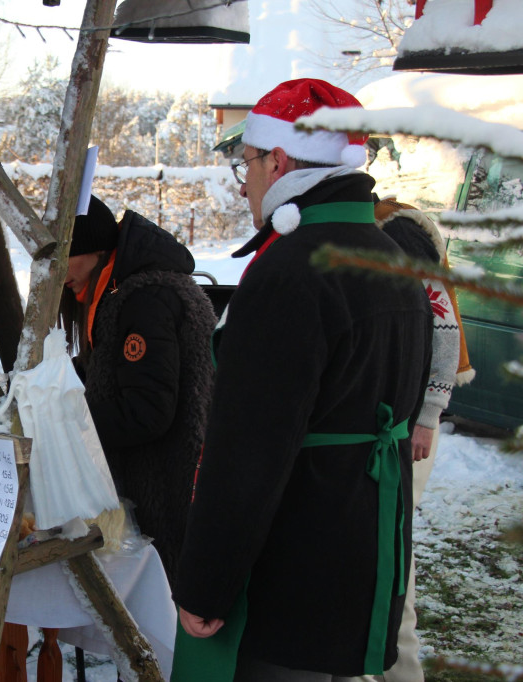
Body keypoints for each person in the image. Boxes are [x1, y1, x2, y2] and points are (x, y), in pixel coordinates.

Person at [174, 79, 433, 682]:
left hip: (290, 568)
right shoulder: (395, 258)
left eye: (247, 166)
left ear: (278, 160)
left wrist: (206, 585)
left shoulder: (291, 273)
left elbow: (248, 450)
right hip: (364, 550)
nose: (244, 185)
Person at [60, 195, 216, 604]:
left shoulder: (144, 298)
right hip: (161, 479)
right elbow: (113, 369)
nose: (61, 275)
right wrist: (55, 380)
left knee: (165, 614)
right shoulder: (121, 289)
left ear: (95, 249)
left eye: (67, 257)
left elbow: (147, 412)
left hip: (169, 484)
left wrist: (66, 418)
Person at [355, 196, 474, 682]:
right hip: (384, 422)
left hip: (405, 429)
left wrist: (427, 416)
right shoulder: (371, 229)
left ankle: (401, 670)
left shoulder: (399, 237)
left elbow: (443, 337)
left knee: (392, 555)